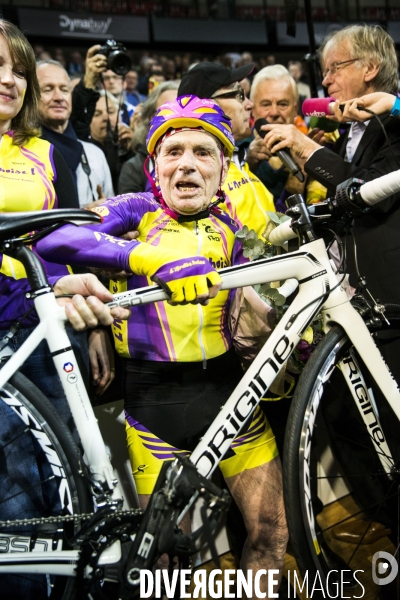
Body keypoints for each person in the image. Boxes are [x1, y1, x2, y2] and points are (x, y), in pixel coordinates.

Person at [37, 95, 289, 597]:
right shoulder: (137, 210)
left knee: (271, 534)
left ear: (224, 167)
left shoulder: (234, 222)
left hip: (232, 401)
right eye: (173, 152)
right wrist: (145, 257)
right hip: (155, 408)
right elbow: (53, 238)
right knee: (170, 566)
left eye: (203, 152)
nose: (187, 164)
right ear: (154, 165)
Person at [260, 24, 400, 308]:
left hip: (388, 290)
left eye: (335, 68)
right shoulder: (348, 128)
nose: (326, 81)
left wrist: (309, 150)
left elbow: (373, 194)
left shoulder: (395, 126)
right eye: (325, 71)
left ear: (370, 68)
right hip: (352, 285)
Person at [178, 61, 276, 238]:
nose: (249, 104)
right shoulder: (188, 172)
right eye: (239, 95)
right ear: (207, 105)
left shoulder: (236, 157)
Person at [36, 59, 114, 207]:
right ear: (30, 97)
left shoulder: (95, 154)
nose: (59, 97)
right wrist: (83, 218)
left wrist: (108, 213)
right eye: (47, 89)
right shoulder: (22, 155)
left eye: (65, 90)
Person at [118, 80, 179, 194]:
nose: (177, 118)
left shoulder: (202, 159)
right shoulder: (134, 168)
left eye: (182, 111)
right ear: (152, 117)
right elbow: (132, 210)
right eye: (169, 111)